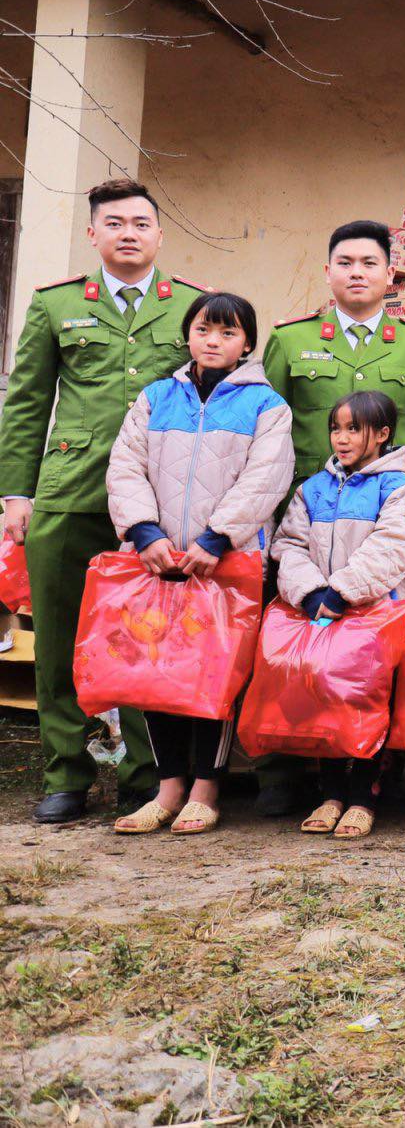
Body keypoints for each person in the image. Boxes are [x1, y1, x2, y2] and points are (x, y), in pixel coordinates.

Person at [0, 177, 210, 823]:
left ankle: (150, 775)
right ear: (93, 234)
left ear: (159, 233)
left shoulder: (193, 309)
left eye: (140, 223)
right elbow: (29, 399)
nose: (128, 233)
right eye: (114, 223)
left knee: (151, 644)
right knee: (60, 641)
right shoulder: (55, 305)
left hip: (158, 502)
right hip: (71, 491)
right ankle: (66, 773)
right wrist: (17, 492)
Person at [103, 292, 294, 836]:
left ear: (248, 345)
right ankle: (167, 789)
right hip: (157, 560)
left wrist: (219, 536)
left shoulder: (265, 405)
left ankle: (207, 789)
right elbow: (125, 465)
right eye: (205, 329)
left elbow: (268, 477)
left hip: (224, 564)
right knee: (156, 671)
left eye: (228, 333)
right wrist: (143, 532)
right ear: (188, 334)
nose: (214, 341)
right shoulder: (156, 396)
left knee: (218, 672)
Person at [271, 392, 405, 839]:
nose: (342, 438)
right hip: (322, 612)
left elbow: (393, 546)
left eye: (354, 429)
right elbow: (289, 545)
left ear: (382, 434)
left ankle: (364, 794)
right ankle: (331, 791)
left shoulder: (399, 488)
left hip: (376, 615)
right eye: (336, 429)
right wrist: (312, 590)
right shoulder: (312, 489)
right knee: (326, 699)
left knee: (371, 702)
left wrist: (343, 591)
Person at [266, 220, 405, 489]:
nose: (356, 273)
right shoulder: (289, 340)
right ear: (328, 272)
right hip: (306, 505)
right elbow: (268, 436)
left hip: (392, 504)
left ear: (390, 274)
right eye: (345, 263)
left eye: (369, 263)